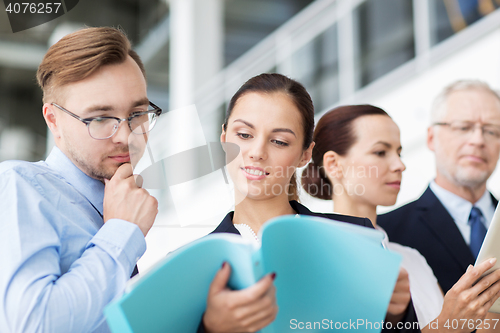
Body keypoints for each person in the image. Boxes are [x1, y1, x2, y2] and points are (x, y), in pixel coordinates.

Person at [200, 73, 420, 333]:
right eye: (245, 134)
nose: (257, 152)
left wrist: (396, 314)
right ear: (224, 139)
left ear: (305, 154)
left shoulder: (356, 237)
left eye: (279, 141)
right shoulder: (194, 262)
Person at [0, 27, 160, 332]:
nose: (126, 137)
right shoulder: (19, 185)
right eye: (100, 118)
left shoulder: (126, 203)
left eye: (138, 113)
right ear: (53, 120)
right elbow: (33, 325)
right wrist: (123, 232)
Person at [301, 104, 500, 332]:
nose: (400, 165)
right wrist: (448, 324)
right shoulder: (314, 256)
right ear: (334, 164)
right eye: (380, 152)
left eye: (399, 152)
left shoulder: (413, 259)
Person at [378, 80, 500, 294]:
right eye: (463, 127)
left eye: (492, 131)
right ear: (431, 138)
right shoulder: (387, 234)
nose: (478, 140)